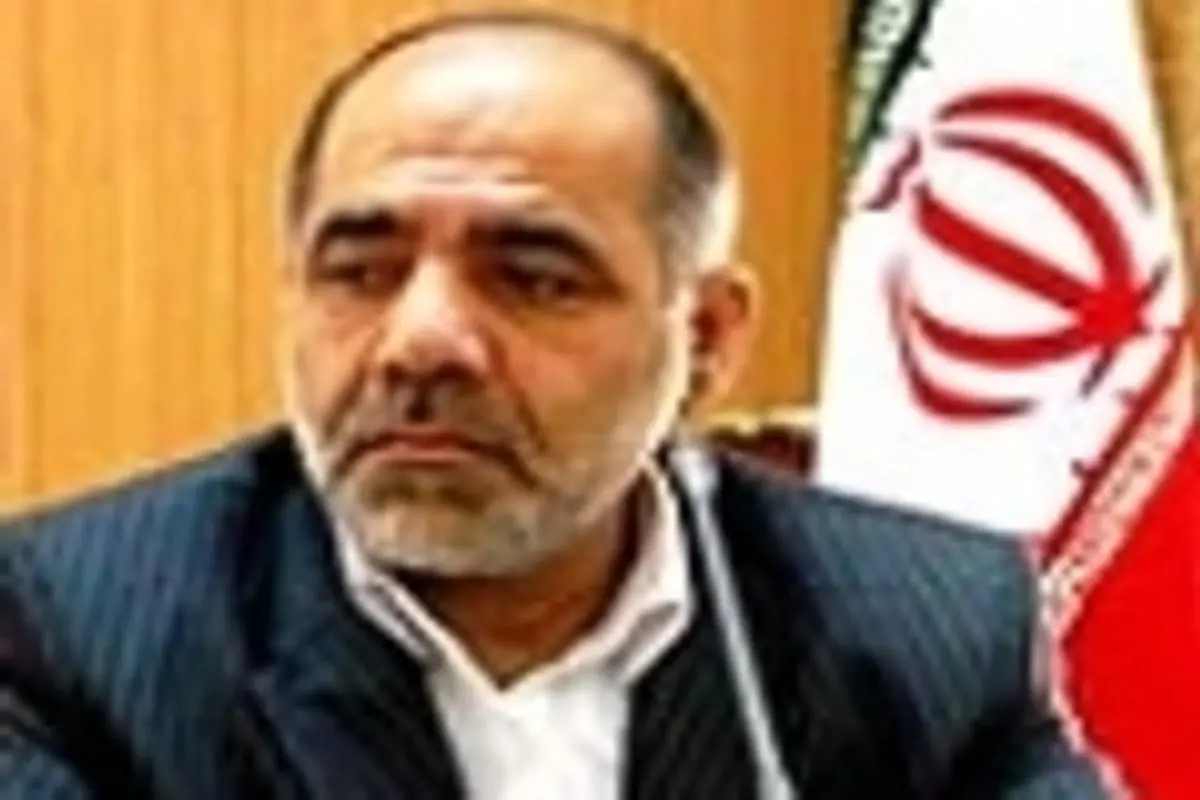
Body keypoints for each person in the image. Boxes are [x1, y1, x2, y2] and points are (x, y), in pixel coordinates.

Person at [0, 11, 1106, 798]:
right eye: (361, 270)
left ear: (707, 337)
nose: (421, 341)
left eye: (533, 278)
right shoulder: (79, 631)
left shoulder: (923, 625)